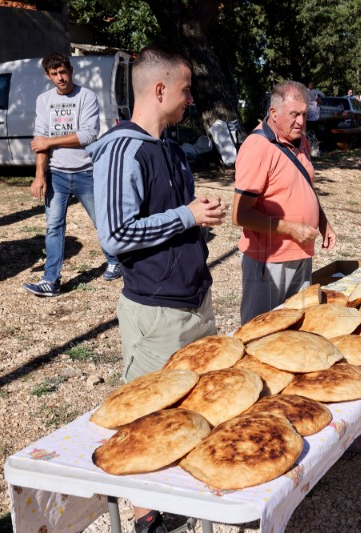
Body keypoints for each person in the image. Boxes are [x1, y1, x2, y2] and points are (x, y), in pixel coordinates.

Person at [88, 44, 226, 531]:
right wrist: (186, 215)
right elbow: (116, 235)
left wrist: (197, 223)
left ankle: (185, 499)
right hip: (156, 313)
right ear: (160, 88)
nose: (191, 100)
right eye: (186, 90)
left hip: (194, 301)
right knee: (149, 417)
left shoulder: (169, 146)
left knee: (195, 404)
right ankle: (147, 515)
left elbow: (165, 220)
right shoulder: (121, 150)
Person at [233, 81, 337, 324]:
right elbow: (240, 215)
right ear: (273, 113)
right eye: (294, 115)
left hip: (301, 252)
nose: (300, 122)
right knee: (261, 331)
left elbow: (306, 186)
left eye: (304, 115)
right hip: (269, 262)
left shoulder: (301, 141)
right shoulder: (257, 147)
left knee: (296, 328)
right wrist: (291, 229)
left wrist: (323, 222)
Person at [22, 53, 120, 297]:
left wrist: (50, 141)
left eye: (63, 72)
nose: (60, 77)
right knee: (54, 227)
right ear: (48, 76)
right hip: (57, 175)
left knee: (101, 221)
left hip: (87, 172)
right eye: (54, 74)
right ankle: (50, 280)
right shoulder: (43, 100)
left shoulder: (86, 96)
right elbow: (40, 142)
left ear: (71, 70)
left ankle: (116, 260)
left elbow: (88, 135)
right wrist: (39, 175)